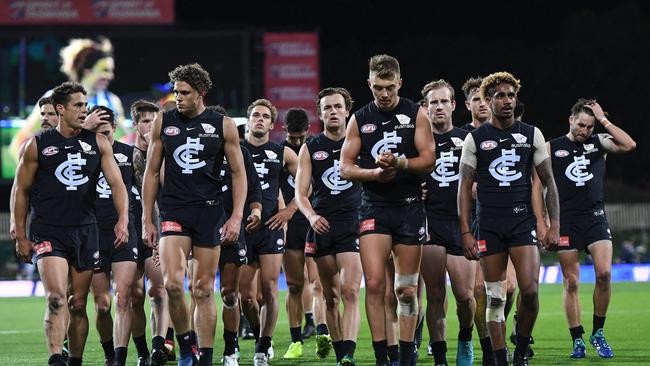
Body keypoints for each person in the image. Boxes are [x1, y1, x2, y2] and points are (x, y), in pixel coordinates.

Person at [13, 81, 129, 366]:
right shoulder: (37, 145)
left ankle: (74, 361)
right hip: (48, 231)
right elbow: (21, 190)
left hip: (86, 232)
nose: (84, 110)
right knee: (56, 298)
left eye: (85, 104)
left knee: (79, 304)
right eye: (78, 105)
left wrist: (123, 220)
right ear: (61, 109)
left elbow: (117, 185)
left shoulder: (98, 143)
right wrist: (20, 235)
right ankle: (56, 359)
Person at [141, 63, 247, 366]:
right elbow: (150, 173)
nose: (178, 98)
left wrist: (236, 216)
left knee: (202, 289)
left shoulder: (223, 124)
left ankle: (206, 359)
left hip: (210, 214)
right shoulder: (164, 121)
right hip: (174, 210)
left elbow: (239, 174)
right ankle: (187, 349)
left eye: (184, 93)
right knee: (173, 284)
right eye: (176, 92)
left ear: (200, 93)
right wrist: (147, 217)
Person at [458, 71, 560, 366]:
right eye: (500, 96)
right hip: (489, 224)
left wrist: (554, 225)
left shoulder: (532, 134)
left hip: (521, 222)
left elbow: (549, 183)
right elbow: (463, 189)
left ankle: (520, 349)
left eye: (511, 95)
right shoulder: (475, 139)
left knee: (529, 290)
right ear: (488, 101)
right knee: (495, 297)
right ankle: (501, 359)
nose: (506, 101)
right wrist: (466, 232)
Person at [340, 54, 436, 366]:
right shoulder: (359, 118)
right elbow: (344, 167)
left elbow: (429, 159)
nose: (384, 93)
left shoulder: (416, 113)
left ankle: (407, 356)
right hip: (374, 208)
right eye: (378, 87)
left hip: (409, 208)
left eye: (390, 87)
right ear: (369, 84)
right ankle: (383, 358)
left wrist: (400, 163)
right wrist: (375, 174)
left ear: (400, 84)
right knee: (378, 286)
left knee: (407, 290)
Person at [548, 99, 635, 359]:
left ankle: (598, 333)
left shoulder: (599, 142)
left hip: (595, 219)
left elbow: (629, 144)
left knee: (605, 274)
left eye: (589, 126)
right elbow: (538, 184)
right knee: (571, 281)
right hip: (566, 221)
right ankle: (577, 339)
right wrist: (545, 221)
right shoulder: (552, 147)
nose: (584, 131)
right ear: (570, 120)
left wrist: (603, 119)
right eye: (581, 125)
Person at [295, 87, 363, 365]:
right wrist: (311, 216)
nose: (333, 112)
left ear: (347, 111)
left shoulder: (360, 143)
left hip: (353, 224)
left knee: (350, 291)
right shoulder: (310, 147)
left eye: (337, 107)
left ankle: (349, 354)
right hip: (321, 226)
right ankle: (340, 355)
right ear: (320, 113)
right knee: (331, 297)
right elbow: (300, 193)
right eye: (327, 108)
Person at [460, 77, 522, 365]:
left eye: (486, 99)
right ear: (468, 105)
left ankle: (499, 327)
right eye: (476, 99)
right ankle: (488, 348)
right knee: (474, 291)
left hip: (501, 216)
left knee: (508, 289)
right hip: (472, 219)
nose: (482, 104)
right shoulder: (462, 138)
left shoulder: (508, 132)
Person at [239, 98, 299, 366]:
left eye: (265, 116)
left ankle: (262, 348)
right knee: (245, 295)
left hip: (271, 227)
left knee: (270, 288)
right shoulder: (235, 150)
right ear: (248, 120)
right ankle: (259, 332)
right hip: (241, 225)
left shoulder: (283, 153)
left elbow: (307, 186)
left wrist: (289, 211)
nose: (259, 119)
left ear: (272, 124)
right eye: (255, 115)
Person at [420, 79, 476, 366]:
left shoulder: (468, 139)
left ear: (453, 105)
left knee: (465, 296)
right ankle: (440, 357)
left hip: (461, 225)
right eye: (433, 102)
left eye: (444, 101)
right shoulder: (419, 142)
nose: (439, 107)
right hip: (430, 224)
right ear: (425, 108)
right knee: (435, 295)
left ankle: (465, 339)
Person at [9, 37, 125, 165]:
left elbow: (121, 143)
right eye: (105, 70)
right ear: (87, 70)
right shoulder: (53, 99)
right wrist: (31, 176)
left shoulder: (112, 102)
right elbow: (19, 142)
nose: (111, 76)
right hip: (63, 178)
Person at [209, 104, 264, 366]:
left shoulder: (240, 152)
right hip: (199, 228)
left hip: (232, 227)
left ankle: (241, 346)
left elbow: (254, 189)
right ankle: (197, 349)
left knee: (233, 294)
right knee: (200, 292)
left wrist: (255, 212)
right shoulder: (194, 150)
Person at [88, 105, 139, 366]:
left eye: (106, 132)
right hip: (92, 233)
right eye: (96, 131)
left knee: (123, 297)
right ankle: (109, 353)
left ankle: (119, 359)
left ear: (115, 129)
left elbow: (146, 195)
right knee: (102, 305)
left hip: (123, 231)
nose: (102, 138)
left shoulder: (130, 155)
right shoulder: (81, 154)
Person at [280, 107, 329, 360]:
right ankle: (296, 340)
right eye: (293, 137)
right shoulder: (279, 154)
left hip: (311, 222)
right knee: (294, 285)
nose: (298, 142)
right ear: (284, 130)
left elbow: (309, 187)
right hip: (289, 229)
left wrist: (292, 210)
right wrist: (285, 215)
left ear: (308, 132)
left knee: (317, 283)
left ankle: (321, 331)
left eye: (302, 137)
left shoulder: (314, 152)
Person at [128, 99, 171, 365]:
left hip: (162, 231)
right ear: (135, 124)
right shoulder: (122, 156)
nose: (149, 126)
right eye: (144, 121)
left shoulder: (167, 156)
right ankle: (142, 351)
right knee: (134, 295)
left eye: (154, 121)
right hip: (131, 233)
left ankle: (159, 346)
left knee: (160, 291)